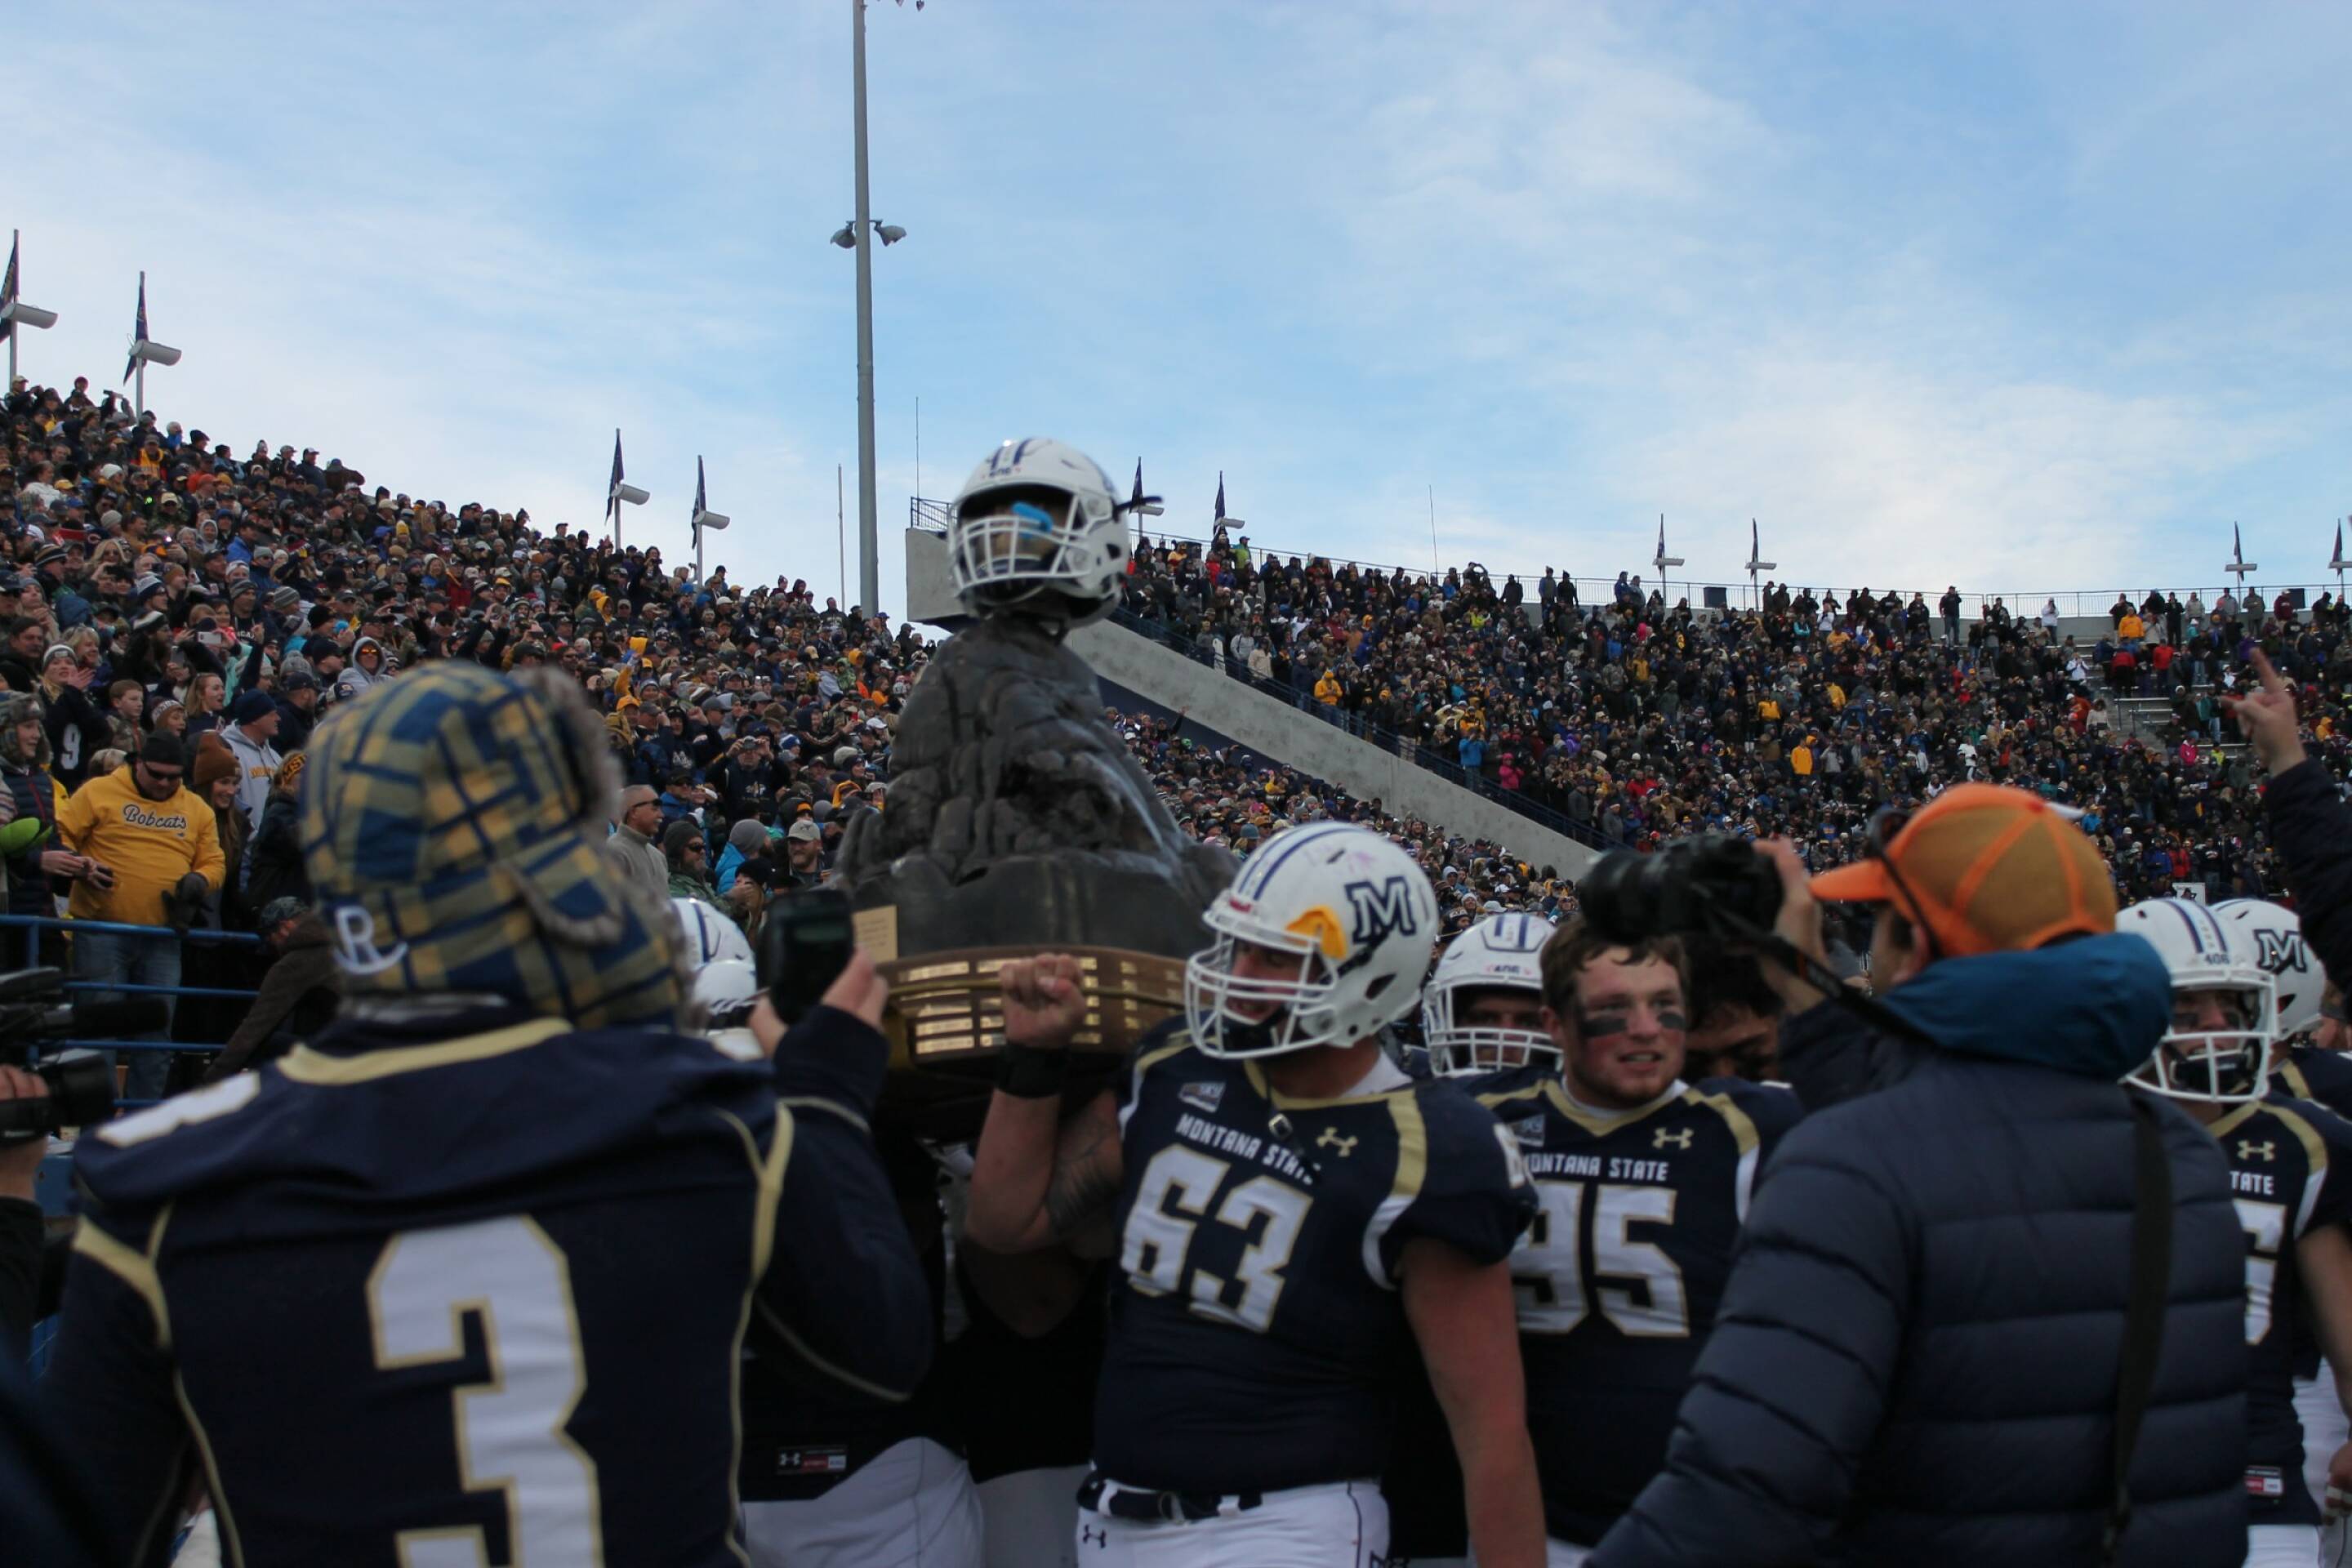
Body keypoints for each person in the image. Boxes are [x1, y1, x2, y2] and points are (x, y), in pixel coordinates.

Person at [39, 662, 933, 1564]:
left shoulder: (164, 1179)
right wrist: (821, 1097)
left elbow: (81, 1534)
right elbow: (875, 1355)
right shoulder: (711, 1122)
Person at [1592, 786, 2248, 1566]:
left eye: (1882, 926)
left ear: (1921, 949)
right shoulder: (2179, 1160)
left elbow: (1739, 1497)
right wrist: (1806, 985)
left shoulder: (1850, 1165)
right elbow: (1950, 1152)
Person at [967, 822, 1544, 1567]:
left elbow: (1491, 1429)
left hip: (1285, 1528)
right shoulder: (1175, 1062)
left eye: (1276, 956)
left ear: (1367, 975)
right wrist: (1033, 1059)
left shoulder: (1433, 1146)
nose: (1240, 972)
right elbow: (1005, 1223)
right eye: (1239, 946)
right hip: (1112, 1516)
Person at [1461, 919, 1799, 1564]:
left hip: (1699, 1517)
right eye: (1614, 1009)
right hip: (1528, 1519)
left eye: (1665, 1008)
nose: (1646, 1029)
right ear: (1555, 1024)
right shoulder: (1479, 1119)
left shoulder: (1753, 1126)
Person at [2118, 896, 2352, 1566]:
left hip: (2256, 1472)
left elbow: (2344, 1334)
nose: (2219, 1025)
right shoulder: (2075, 1132)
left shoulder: (2301, 1140)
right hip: (2104, 1480)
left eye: (2231, 1005)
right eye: (2191, 1010)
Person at [55, 731, 224, 1102]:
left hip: (164, 935)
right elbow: (61, 833)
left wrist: (199, 881)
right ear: (137, 764)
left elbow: (214, 861)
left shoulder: (197, 808)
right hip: (101, 929)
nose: (164, 783)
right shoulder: (97, 791)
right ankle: (95, 1129)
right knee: (99, 1033)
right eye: (157, 774)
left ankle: (142, 1127)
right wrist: (79, 864)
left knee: (156, 1037)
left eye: (173, 777)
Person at [198, 897, 341, 1083]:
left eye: (269, 937)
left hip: (347, 1051)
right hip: (376, 1046)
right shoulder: (346, 942)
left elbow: (255, 1029)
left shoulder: (296, 962)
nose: (271, 946)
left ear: (284, 927)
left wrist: (210, 1081)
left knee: (268, 1045)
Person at [604, 782, 670, 904]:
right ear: (634, 812)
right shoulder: (614, 851)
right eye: (655, 808)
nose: (661, 815)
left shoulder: (658, 856)